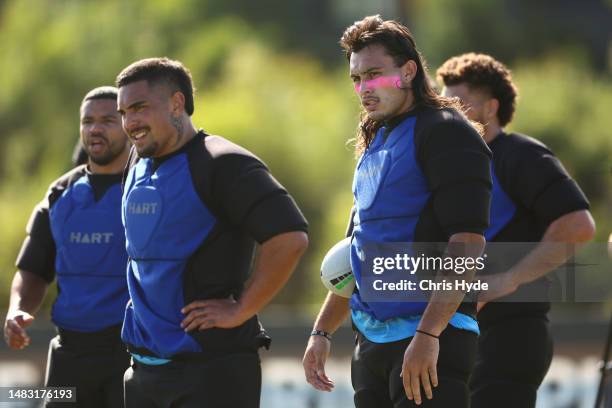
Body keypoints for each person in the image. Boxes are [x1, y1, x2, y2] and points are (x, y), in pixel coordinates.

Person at [303, 16, 492, 408]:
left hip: (428, 340)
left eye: (373, 74)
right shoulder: (375, 141)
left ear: (408, 71)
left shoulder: (445, 131)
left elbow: (468, 242)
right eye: (356, 78)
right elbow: (357, 251)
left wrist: (428, 336)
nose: (363, 88)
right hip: (372, 343)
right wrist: (321, 332)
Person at [115, 57, 309, 408]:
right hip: (143, 370)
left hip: (212, 371)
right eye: (124, 112)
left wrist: (241, 309)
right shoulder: (136, 161)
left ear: (177, 104)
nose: (130, 122)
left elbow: (290, 237)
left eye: (140, 108)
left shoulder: (223, 163)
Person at [437, 52, 596, 408]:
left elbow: (578, 225)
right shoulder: (451, 167)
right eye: (443, 103)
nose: (447, 113)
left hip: (510, 335)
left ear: (491, 108)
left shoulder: (520, 155)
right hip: (458, 337)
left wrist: (509, 278)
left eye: (458, 103)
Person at [3, 86, 131, 407]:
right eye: (87, 121)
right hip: (69, 356)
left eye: (107, 120)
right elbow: (32, 269)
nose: (95, 128)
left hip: (132, 354)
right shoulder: (60, 193)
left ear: (129, 125)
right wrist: (19, 309)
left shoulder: (148, 188)